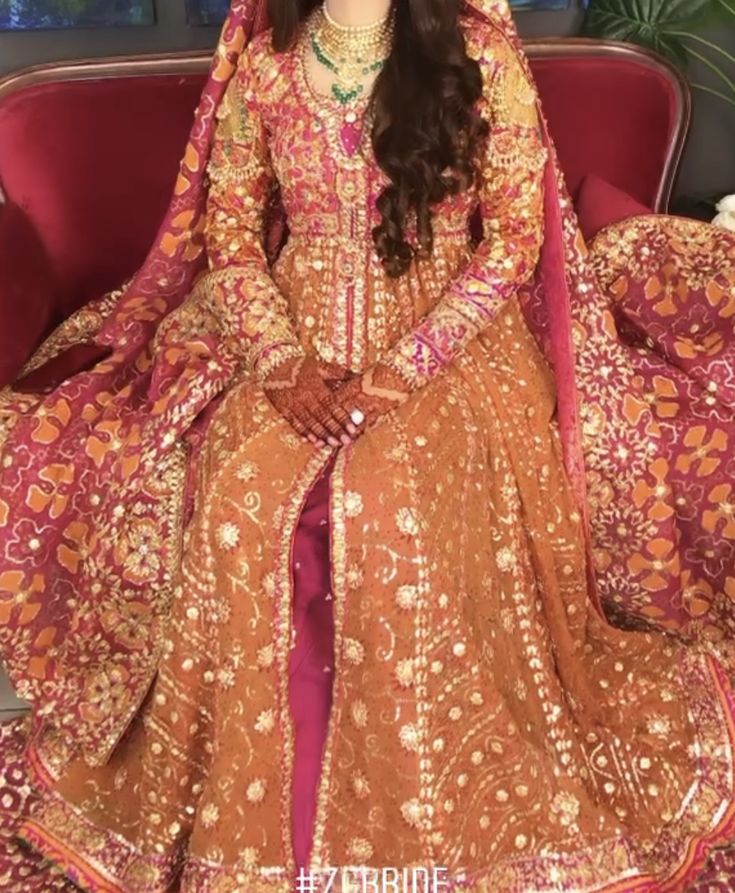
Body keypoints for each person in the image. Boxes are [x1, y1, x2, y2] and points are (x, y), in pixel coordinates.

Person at [0, 0, 734, 890]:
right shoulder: (266, 65)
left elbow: (508, 241)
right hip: (289, 322)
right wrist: (277, 362)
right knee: (243, 504)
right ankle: (267, 829)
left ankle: (401, 822)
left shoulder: (477, 54)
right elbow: (230, 234)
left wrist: (407, 363)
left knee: (390, 508)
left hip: (450, 331)